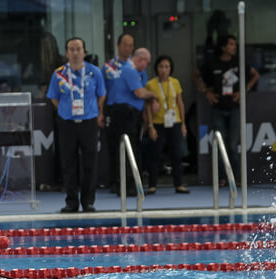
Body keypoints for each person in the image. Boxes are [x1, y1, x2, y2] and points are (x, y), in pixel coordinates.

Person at [46, 37, 105, 213]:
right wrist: (66, 111)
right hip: (67, 123)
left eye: (78, 49)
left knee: (90, 163)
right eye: (71, 49)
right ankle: (71, 201)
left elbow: (101, 94)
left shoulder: (95, 72)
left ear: (84, 52)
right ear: (67, 53)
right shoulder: (59, 74)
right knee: (68, 163)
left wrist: (98, 112)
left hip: (88, 121)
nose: (75, 52)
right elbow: (54, 98)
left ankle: (88, 201)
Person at [195, 35, 259, 181]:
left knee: (232, 144)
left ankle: (236, 177)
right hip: (218, 106)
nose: (234, 47)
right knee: (220, 143)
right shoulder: (212, 62)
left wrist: (244, 90)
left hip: (235, 107)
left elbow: (255, 75)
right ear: (223, 47)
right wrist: (206, 92)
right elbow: (195, 75)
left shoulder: (239, 62)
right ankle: (222, 178)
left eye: (234, 44)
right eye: (231, 44)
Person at [106, 47, 154, 196]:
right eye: (146, 63)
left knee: (133, 148)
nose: (146, 66)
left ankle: (130, 183)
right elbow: (140, 93)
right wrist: (155, 95)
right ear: (141, 60)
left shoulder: (136, 72)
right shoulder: (130, 70)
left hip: (131, 114)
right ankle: (127, 185)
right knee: (128, 149)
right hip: (124, 114)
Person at [144, 55, 189, 194]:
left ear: (170, 69)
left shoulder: (175, 83)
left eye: (167, 67)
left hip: (174, 122)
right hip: (158, 123)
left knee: (177, 153)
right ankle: (152, 185)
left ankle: (179, 184)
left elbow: (179, 103)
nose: (164, 70)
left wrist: (183, 124)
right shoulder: (151, 84)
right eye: (161, 67)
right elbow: (147, 107)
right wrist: (150, 126)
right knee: (156, 154)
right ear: (157, 68)